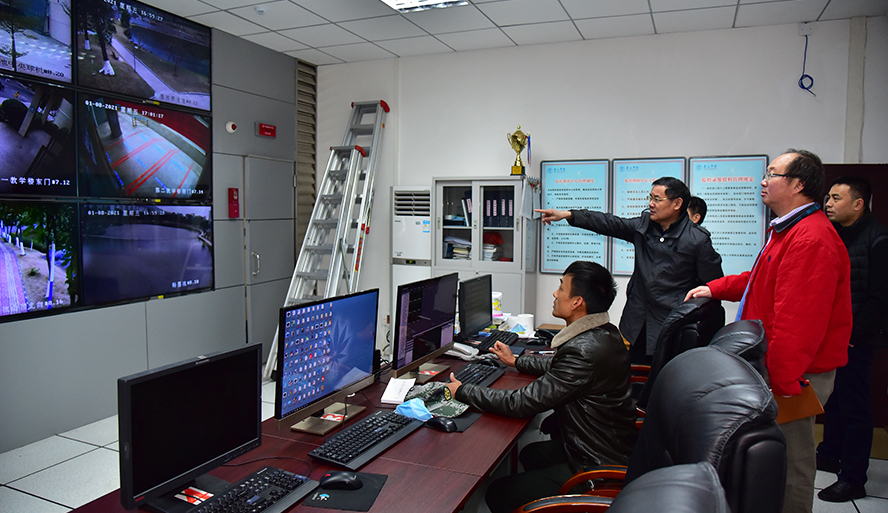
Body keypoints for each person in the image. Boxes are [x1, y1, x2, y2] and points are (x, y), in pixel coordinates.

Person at [685, 149, 852, 513]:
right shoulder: (788, 229)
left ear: (798, 184)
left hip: (793, 373)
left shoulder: (810, 238)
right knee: (772, 459)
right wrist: (715, 287)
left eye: (772, 174)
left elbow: (798, 323)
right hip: (778, 367)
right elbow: (760, 280)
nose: (763, 181)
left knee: (790, 460)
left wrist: (781, 383)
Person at [446, 261, 637, 513]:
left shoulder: (584, 351)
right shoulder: (604, 333)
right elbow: (561, 367)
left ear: (577, 302)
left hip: (596, 466)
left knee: (499, 494)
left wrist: (463, 391)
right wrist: (516, 361)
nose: (555, 293)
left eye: (561, 287)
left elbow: (522, 403)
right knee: (531, 454)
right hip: (604, 445)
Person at [536, 177, 723, 364]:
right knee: (636, 371)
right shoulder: (644, 226)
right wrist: (568, 215)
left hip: (672, 325)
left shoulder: (697, 240)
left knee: (667, 376)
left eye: (657, 199)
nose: (651, 204)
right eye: (650, 198)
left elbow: (713, 287)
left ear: (677, 203)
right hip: (639, 321)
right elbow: (609, 223)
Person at [816, 177, 888, 502]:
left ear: (858, 204)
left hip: (857, 340)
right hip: (834, 336)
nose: (828, 204)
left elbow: (879, 299)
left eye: (836, 198)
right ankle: (829, 455)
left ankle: (854, 478)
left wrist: (854, 336)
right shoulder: (835, 234)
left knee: (855, 407)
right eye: (828, 197)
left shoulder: (878, 239)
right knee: (833, 400)